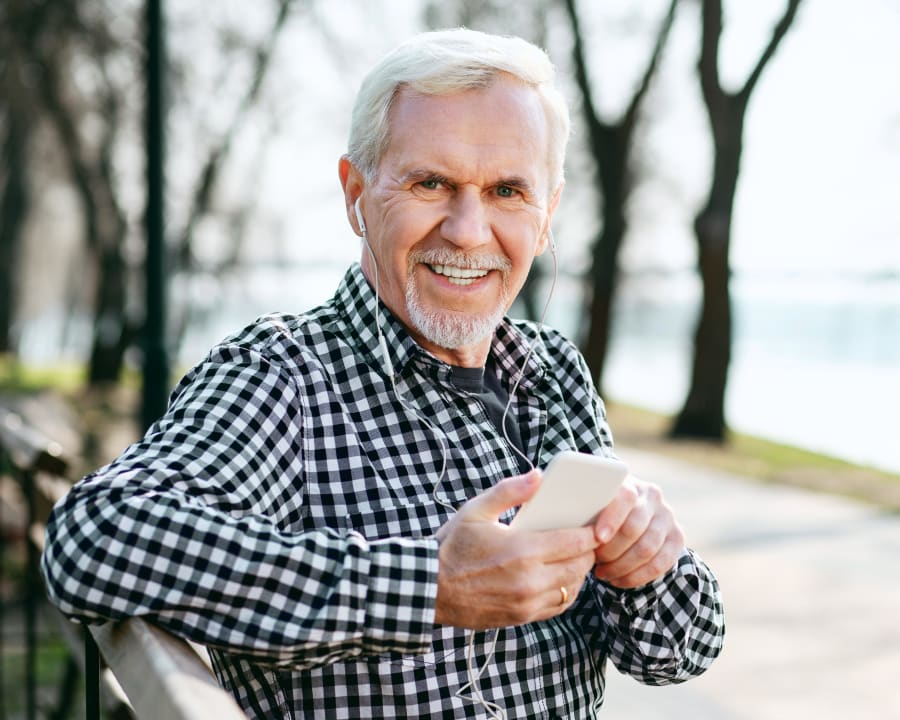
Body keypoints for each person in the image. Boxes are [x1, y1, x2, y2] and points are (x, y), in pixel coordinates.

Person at [42, 28, 724, 719]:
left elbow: (676, 653)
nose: (466, 230)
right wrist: (430, 586)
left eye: (508, 191)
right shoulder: (284, 377)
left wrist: (650, 570)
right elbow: (93, 538)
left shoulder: (555, 377)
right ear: (356, 193)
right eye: (431, 183)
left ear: (547, 214)